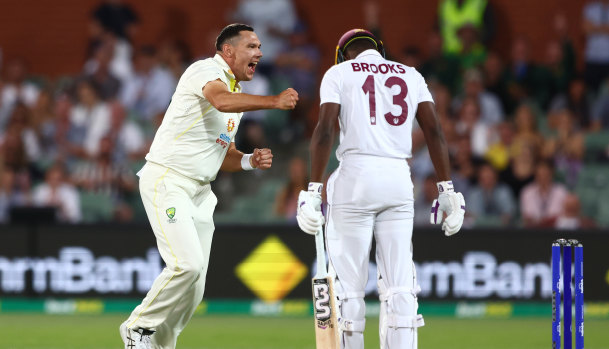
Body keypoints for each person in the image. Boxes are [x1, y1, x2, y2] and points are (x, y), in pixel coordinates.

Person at [119, 23, 299, 349]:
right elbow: (220, 101)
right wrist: (273, 102)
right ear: (228, 51)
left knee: (195, 286)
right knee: (185, 266)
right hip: (168, 179)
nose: (259, 52)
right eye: (252, 46)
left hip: (201, 193)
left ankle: (161, 344)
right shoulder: (204, 71)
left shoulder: (234, 96)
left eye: (260, 47)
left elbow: (223, 152)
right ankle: (137, 327)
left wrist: (248, 161)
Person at [296, 29, 465, 349]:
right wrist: (447, 190)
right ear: (380, 50)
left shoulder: (339, 72)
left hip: (354, 180)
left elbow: (324, 131)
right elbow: (434, 130)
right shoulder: (411, 75)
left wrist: (313, 191)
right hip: (399, 180)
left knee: (348, 291)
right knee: (401, 288)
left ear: (344, 53)